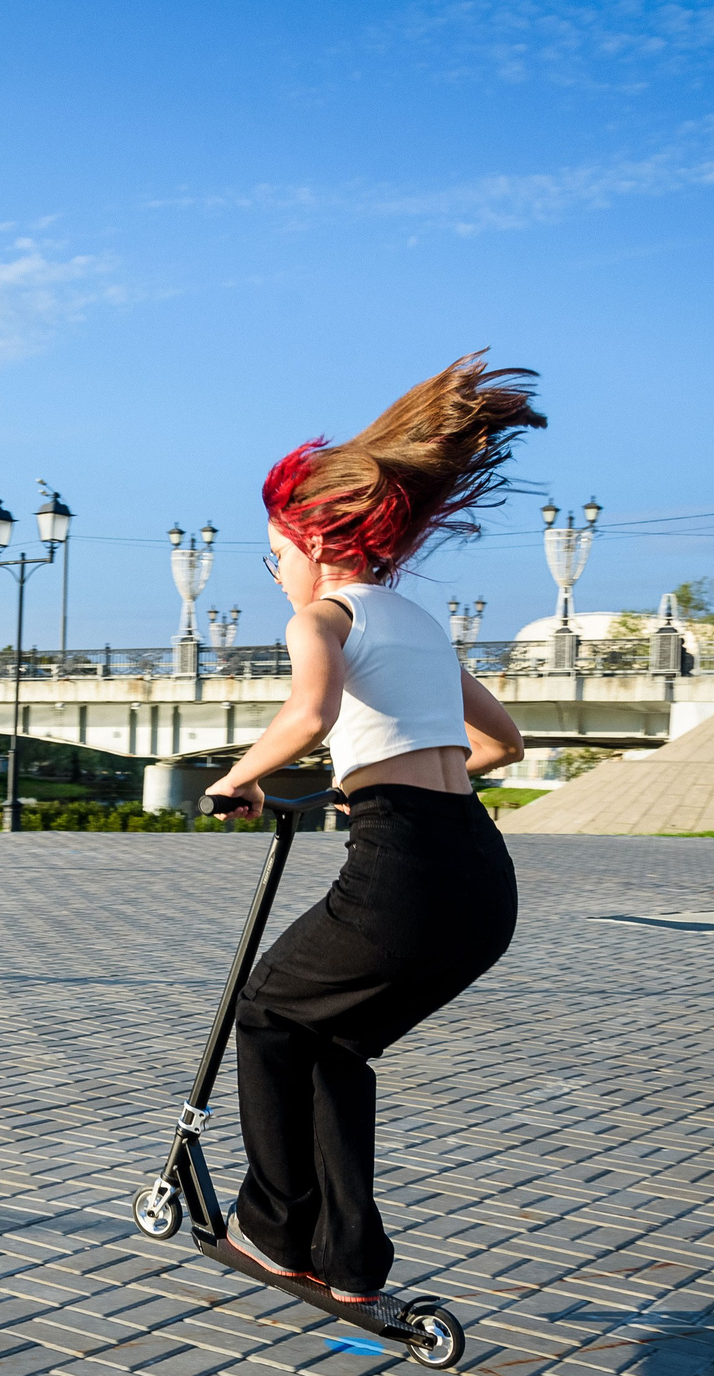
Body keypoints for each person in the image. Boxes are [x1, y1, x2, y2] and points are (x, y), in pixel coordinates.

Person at [206, 352, 538, 1322]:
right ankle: (348, 1256)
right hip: (478, 878)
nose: (275, 569)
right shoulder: (421, 622)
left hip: (403, 876)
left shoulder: (322, 616)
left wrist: (237, 779)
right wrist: (369, 792)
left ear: (314, 538)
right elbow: (500, 744)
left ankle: (274, 1228)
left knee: (268, 1013)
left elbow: (308, 715)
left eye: (274, 550)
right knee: (332, 1044)